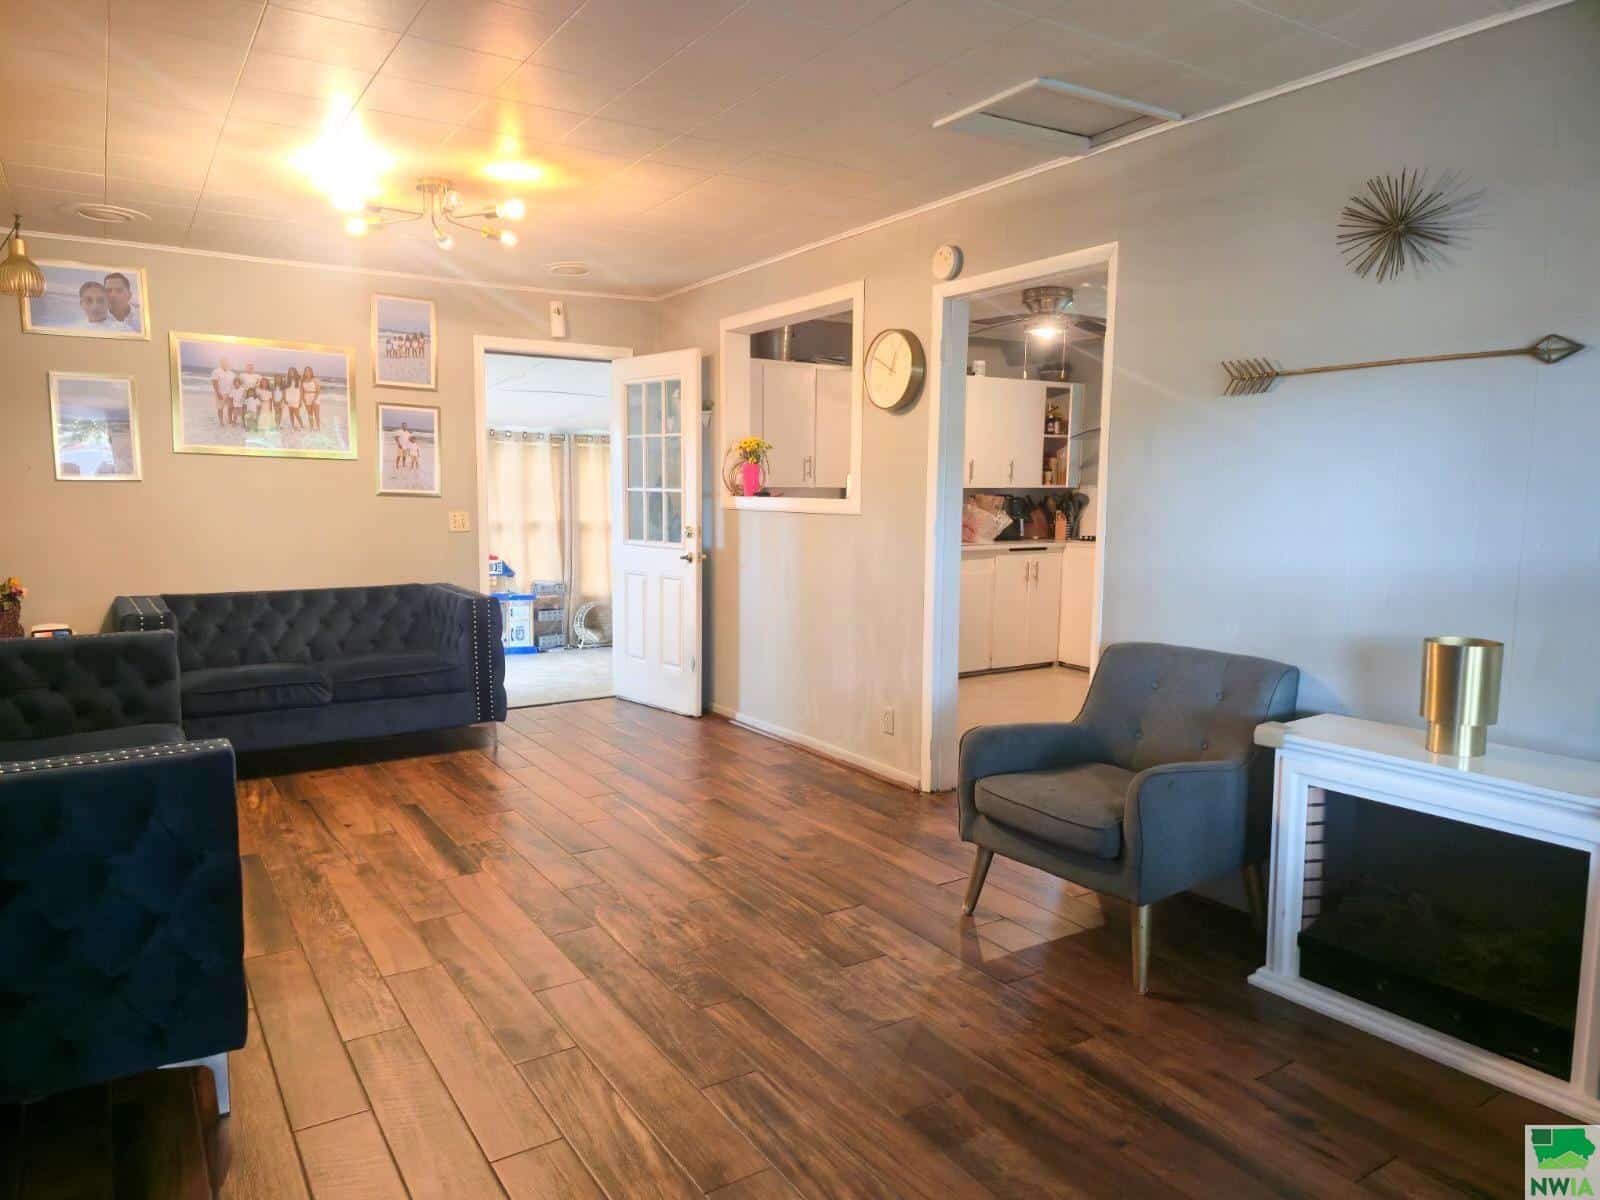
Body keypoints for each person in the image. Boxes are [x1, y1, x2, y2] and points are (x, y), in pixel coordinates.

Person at [210, 356, 235, 427]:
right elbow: (214, 382)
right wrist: (218, 393)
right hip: (220, 393)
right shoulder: (216, 371)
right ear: (221, 363)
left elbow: (234, 383)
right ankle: (221, 422)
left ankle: (230, 420)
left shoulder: (232, 373)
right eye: (223, 362)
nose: (225, 363)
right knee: (220, 408)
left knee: (230, 407)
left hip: (230, 393)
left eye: (226, 362)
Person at [301, 364, 321, 431]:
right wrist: (303, 399)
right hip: (306, 397)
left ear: (311, 372)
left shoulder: (315, 380)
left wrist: (314, 400)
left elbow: (318, 391)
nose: (307, 372)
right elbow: (302, 391)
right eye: (306, 371)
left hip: (315, 397)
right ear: (304, 372)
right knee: (309, 414)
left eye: (308, 371)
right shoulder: (303, 380)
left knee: (316, 414)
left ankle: (318, 428)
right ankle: (311, 427)